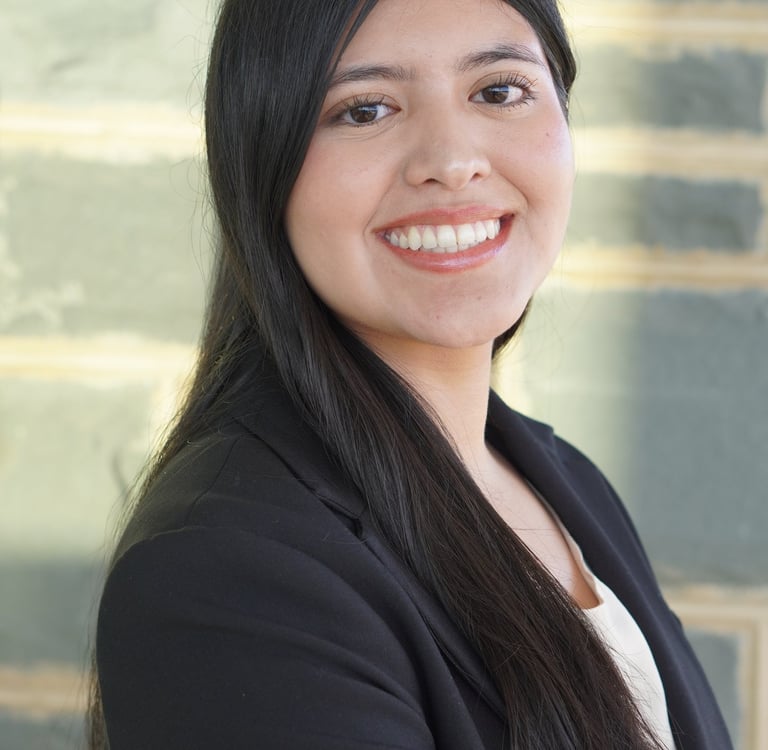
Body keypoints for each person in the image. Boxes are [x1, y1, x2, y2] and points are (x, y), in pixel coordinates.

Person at [89, 0, 733, 748]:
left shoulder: (560, 481)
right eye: (365, 109)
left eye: (498, 91)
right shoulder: (227, 574)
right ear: (260, 155)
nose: (452, 161)